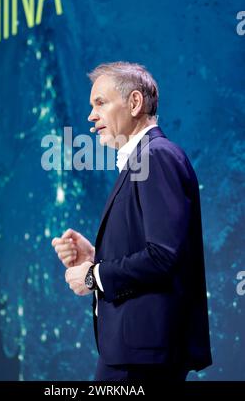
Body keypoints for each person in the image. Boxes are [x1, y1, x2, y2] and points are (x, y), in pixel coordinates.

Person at [51, 62, 212, 382]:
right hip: (135, 352)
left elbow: (164, 256)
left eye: (100, 103)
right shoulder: (143, 161)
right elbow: (155, 251)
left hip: (143, 356)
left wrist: (93, 276)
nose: (90, 116)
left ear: (135, 103)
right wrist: (97, 257)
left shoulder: (156, 157)